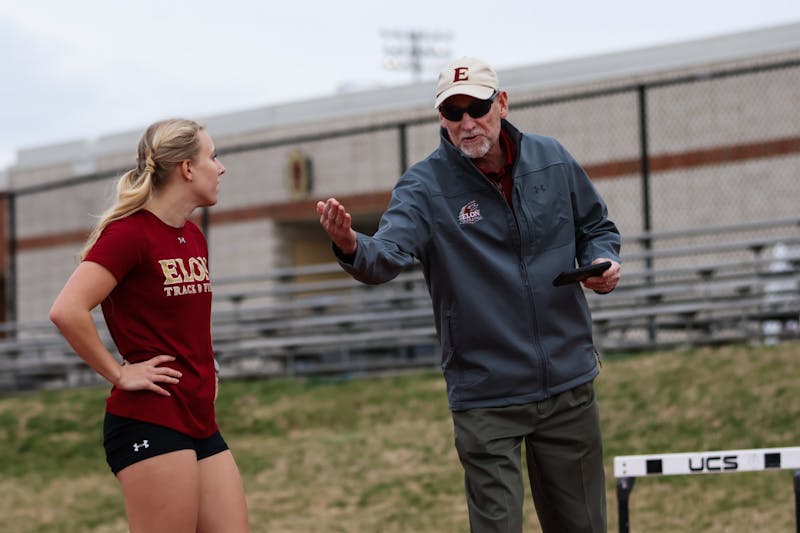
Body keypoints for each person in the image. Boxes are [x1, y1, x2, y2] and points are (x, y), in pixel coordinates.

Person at [317, 57, 621, 532]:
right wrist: (351, 244)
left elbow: (596, 227)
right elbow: (386, 256)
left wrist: (604, 260)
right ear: (441, 118)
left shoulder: (553, 159)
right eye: (452, 113)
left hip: (568, 384)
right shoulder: (423, 187)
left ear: (501, 103)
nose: (466, 123)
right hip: (486, 394)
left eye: (476, 107)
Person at [49, 118, 249, 533]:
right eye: (212, 156)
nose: (221, 167)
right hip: (150, 420)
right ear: (187, 169)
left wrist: (206, 366)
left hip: (199, 417)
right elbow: (67, 310)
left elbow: (183, 321)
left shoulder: (193, 236)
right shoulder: (128, 235)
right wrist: (119, 373)